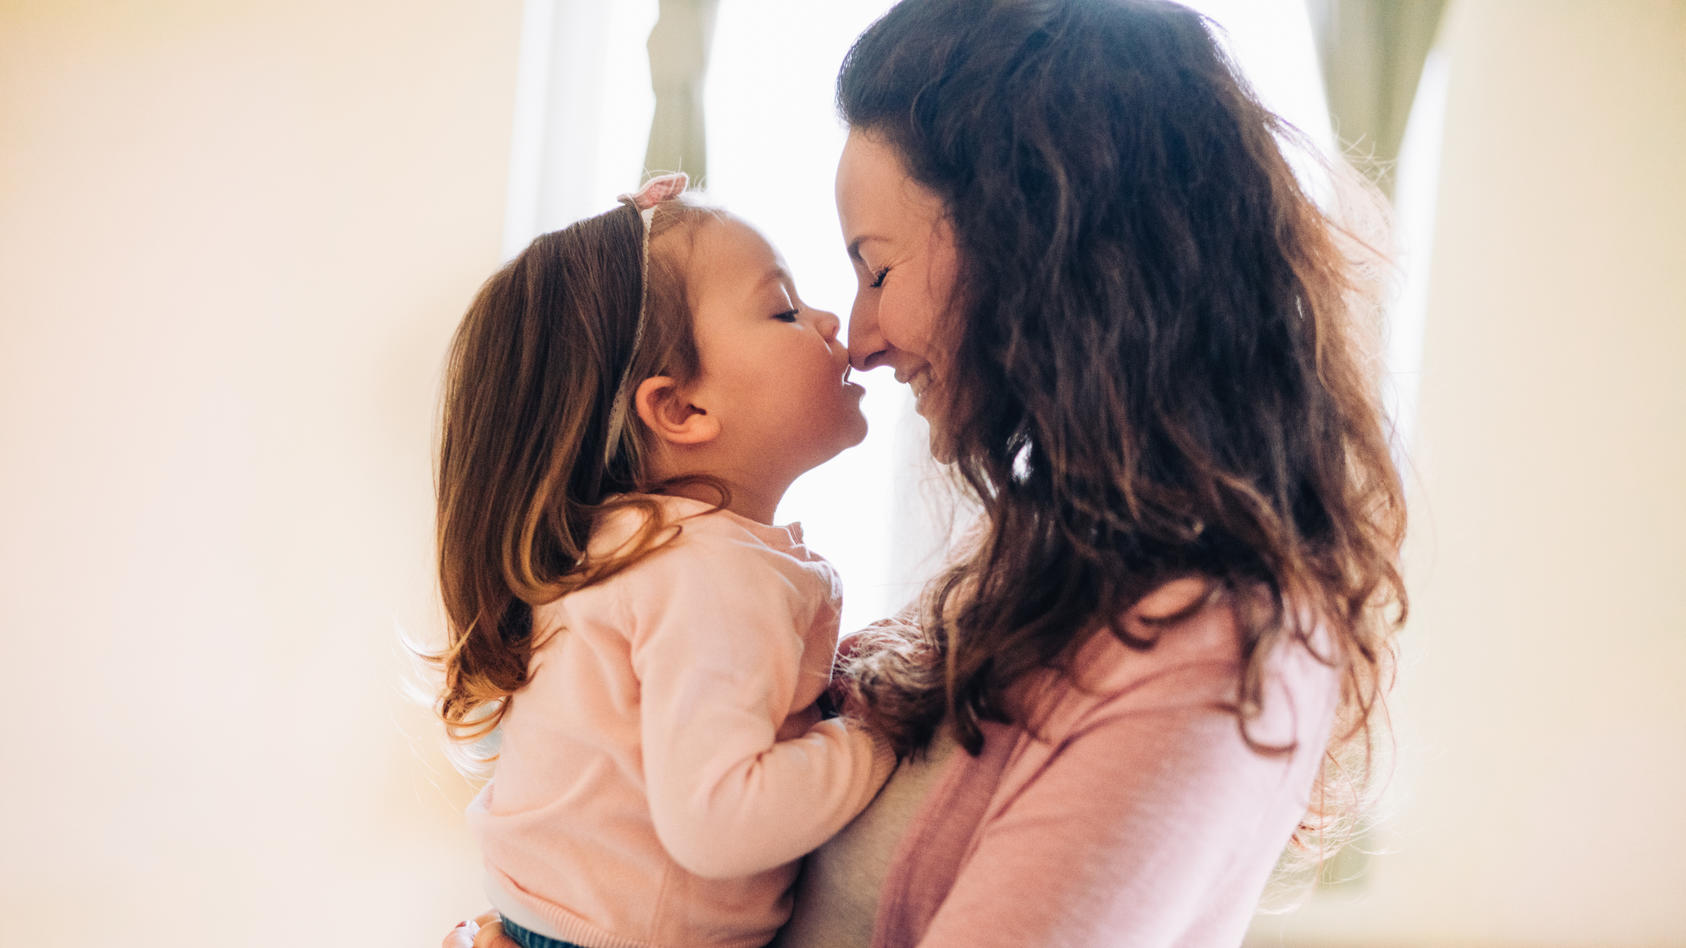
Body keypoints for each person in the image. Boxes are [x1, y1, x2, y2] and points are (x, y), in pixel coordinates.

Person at [448, 0, 1405, 944]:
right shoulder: (1022, 575)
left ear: (1033, 253)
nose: (856, 339)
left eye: (876, 272)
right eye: (800, 303)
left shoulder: (1194, 656)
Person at [431, 171, 896, 948]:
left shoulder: (641, 547)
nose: (827, 320)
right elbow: (722, 819)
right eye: (783, 308)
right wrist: (883, 731)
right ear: (681, 408)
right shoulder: (703, 571)